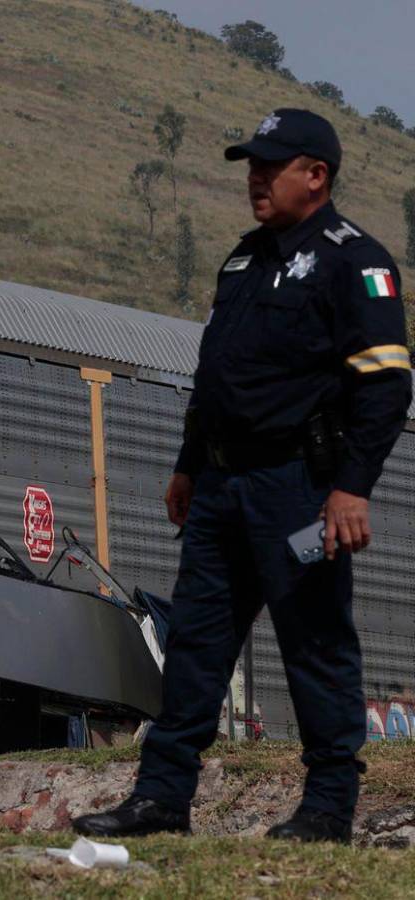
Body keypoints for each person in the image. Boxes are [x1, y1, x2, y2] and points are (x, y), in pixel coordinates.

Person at [73, 108, 411, 844]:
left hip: (300, 490)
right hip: (222, 488)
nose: (255, 178)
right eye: (250, 165)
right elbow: (218, 373)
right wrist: (189, 465)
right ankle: (162, 797)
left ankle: (327, 808)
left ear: (315, 175)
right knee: (196, 642)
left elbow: (386, 388)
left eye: (271, 165)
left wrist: (351, 488)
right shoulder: (244, 260)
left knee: (315, 644)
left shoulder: (358, 262)